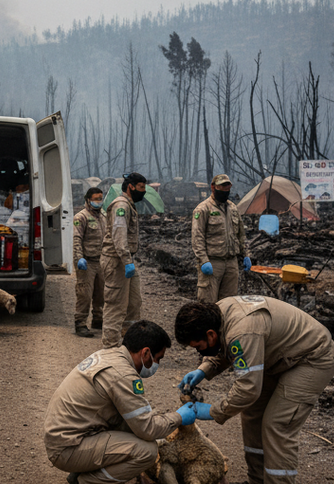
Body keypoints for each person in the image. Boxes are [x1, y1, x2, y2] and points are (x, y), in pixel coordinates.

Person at [174, 297, 334, 484]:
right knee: (252, 414)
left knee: (277, 423)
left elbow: (248, 388)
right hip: (279, 357)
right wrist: (204, 369)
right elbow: (229, 348)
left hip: (312, 357)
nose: (199, 352)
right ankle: (257, 480)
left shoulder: (242, 331)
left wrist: (214, 411)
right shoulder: (215, 315)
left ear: (210, 334)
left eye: (198, 347)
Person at [44, 320, 198, 484]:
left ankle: (80, 470)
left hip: (65, 437)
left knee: (129, 424)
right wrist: (179, 417)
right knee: (147, 451)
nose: (157, 364)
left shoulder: (109, 355)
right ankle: (87, 481)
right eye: (158, 359)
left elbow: (135, 418)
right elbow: (147, 428)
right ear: (146, 353)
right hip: (67, 449)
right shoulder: (123, 374)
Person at [99, 172, 146, 349]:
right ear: (131, 187)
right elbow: (119, 236)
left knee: (134, 303)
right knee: (116, 305)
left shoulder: (129, 205)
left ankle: (129, 344)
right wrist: (127, 261)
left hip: (126, 260)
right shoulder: (121, 205)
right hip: (117, 261)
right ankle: (110, 347)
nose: (143, 191)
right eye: (141, 187)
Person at [191, 174, 251, 303]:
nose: (225, 190)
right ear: (213, 187)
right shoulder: (203, 209)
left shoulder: (233, 208)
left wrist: (246, 254)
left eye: (227, 187)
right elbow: (197, 237)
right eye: (222, 186)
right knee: (208, 303)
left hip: (231, 263)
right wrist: (203, 260)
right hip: (213, 262)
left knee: (229, 303)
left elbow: (241, 234)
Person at [72, 187, 106, 338]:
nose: (99, 201)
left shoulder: (104, 217)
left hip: (101, 260)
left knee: (101, 293)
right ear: (88, 200)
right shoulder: (81, 217)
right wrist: (79, 258)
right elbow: (77, 239)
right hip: (86, 261)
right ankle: (80, 323)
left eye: (100, 198)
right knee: (84, 294)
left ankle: (98, 319)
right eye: (96, 199)